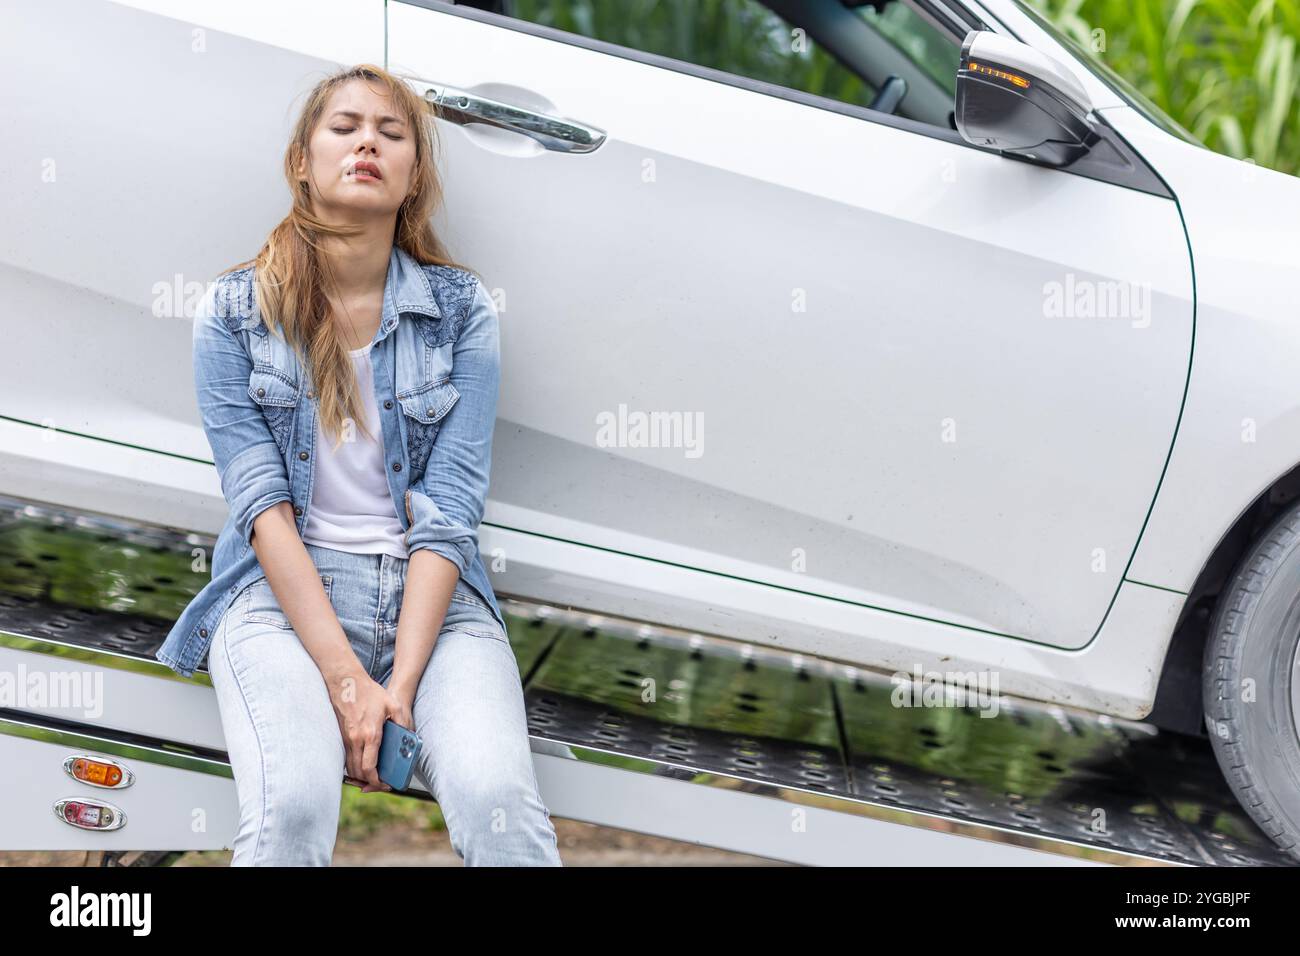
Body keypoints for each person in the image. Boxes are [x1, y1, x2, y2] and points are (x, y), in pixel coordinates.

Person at [171, 63, 561, 866]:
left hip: (438, 613)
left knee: (501, 811)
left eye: (391, 134)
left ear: (414, 176)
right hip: (280, 602)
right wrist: (347, 678)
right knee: (294, 814)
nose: (366, 145)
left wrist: (402, 685)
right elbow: (261, 506)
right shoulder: (234, 313)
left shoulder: (462, 313)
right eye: (344, 127)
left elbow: (450, 509)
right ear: (301, 161)